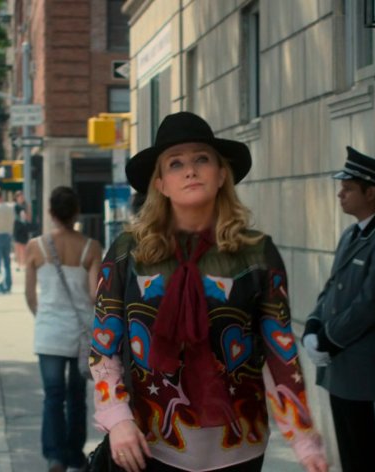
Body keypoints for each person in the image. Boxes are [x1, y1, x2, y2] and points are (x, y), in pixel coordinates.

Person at [90, 112, 327, 472]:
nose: (190, 170)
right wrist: (116, 416)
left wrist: (304, 440)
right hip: (145, 444)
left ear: (220, 175)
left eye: (202, 159)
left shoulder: (257, 253)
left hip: (238, 448)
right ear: (160, 184)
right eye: (176, 163)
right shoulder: (128, 251)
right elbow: (103, 346)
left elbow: (280, 351)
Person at [302, 146, 375, 472]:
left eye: (348, 188)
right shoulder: (352, 234)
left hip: (370, 374)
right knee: (352, 460)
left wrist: (328, 341)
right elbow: (331, 289)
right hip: (342, 372)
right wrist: (312, 326)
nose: (340, 194)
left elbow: (370, 304)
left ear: (371, 192)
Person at [24, 186, 103, 472]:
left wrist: (43, 315)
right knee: (77, 396)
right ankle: (74, 455)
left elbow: (30, 295)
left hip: (49, 331)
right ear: (77, 212)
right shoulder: (91, 247)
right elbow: (96, 295)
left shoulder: (36, 246)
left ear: (50, 212)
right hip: (81, 332)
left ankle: (54, 456)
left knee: (53, 395)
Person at [13, 190, 31, 271]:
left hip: (24, 227)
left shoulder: (26, 206)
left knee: (24, 246)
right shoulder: (14, 206)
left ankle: (24, 263)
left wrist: (26, 213)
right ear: (16, 198)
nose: (21, 198)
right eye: (19, 196)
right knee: (17, 246)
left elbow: (29, 218)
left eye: (22, 196)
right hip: (17, 227)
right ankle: (18, 264)